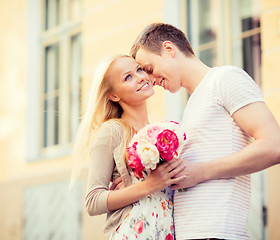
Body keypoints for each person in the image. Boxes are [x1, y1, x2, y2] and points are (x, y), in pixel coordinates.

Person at [129, 23, 280, 240]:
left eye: (150, 69)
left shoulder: (224, 79)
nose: (150, 80)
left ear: (169, 49)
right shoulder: (193, 103)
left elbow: (274, 145)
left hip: (217, 234)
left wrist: (202, 171)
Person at [70, 54, 186, 240]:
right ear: (114, 95)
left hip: (165, 232)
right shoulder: (112, 131)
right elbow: (93, 201)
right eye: (128, 77)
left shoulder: (160, 132)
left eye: (138, 69)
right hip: (133, 232)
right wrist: (148, 185)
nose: (140, 77)